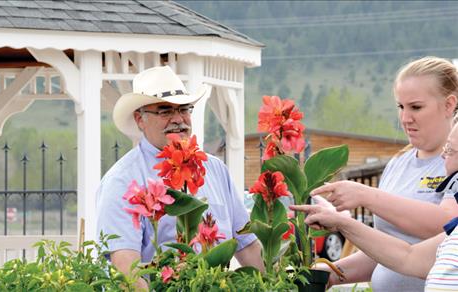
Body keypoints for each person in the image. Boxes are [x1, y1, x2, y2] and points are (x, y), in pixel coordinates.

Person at [296, 56, 458, 291]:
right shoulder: (398, 164)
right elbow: (388, 252)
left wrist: (366, 196)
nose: (405, 118)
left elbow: (446, 226)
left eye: (416, 107)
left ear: (449, 104)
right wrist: (331, 273)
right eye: (400, 107)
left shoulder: (452, 167)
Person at [96, 66, 263, 289]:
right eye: (165, 111)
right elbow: (126, 268)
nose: (178, 119)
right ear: (140, 120)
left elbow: (248, 246)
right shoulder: (122, 181)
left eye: (184, 109)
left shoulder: (215, 170)